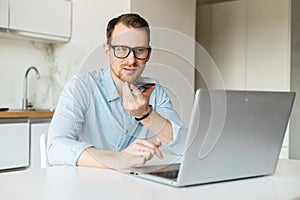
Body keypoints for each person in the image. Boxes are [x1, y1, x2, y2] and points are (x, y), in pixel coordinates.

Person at [47, 13, 187, 170]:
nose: (131, 60)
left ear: (148, 55)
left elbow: (185, 146)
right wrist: (117, 159)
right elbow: (55, 147)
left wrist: (146, 115)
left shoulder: (154, 91)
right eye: (121, 49)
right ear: (108, 51)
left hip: (132, 186)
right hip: (86, 184)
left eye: (139, 50)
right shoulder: (81, 86)